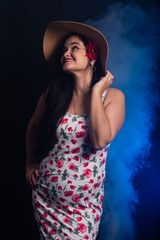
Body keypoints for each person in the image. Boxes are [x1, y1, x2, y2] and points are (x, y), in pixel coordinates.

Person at [26, 21, 125, 240]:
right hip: (46, 202)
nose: (66, 53)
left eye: (74, 48)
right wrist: (30, 162)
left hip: (83, 212)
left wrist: (97, 89)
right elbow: (33, 126)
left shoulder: (113, 97)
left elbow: (100, 140)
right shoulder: (53, 94)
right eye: (64, 50)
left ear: (91, 57)